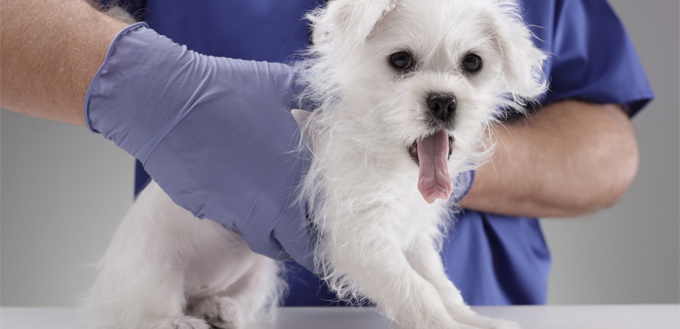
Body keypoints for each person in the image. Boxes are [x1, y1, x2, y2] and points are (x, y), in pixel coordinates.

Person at [0, 0, 653, 306]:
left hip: (488, 307)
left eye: (470, 66)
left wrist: (422, 164)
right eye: (402, 62)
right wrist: (145, 86)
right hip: (194, 301)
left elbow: (608, 145)